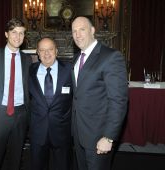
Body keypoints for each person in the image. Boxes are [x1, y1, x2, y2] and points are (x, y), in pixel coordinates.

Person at [71, 16, 128, 170]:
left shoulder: (110, 57)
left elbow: (118, 101)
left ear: (92, 30)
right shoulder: (77, 58)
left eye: (82, 29)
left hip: (99, 136)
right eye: (74, 31)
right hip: (79, 133)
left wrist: (109, 138)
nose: (77, 34)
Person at [0, 18, 32, 170]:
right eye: (14, 32)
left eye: (21, 33)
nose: (18, 37)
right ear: (6, 34)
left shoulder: (27, 59)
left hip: (20, 114)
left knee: (16, 157)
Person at [28, 37, 73, 170]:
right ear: (37, 52)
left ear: (56, 51)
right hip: (37, 132)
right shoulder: (29, 70)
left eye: (50, 49)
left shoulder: (70, 70)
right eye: (42, 50)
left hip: (62, 131)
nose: (46, 53)